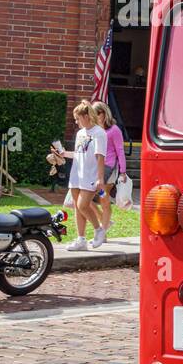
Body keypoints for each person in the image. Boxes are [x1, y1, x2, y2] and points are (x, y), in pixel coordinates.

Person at [55, 100, 107, 251]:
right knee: (78, 209)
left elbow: (100, 156)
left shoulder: (99, 133)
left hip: (91, 175)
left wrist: (100, 178)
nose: (76, 122)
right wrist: (64, 154)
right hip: (77, 174)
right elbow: (79, 154)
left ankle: (99, 230)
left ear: (86, 116)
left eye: (78, 118)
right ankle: (81, 240)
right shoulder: (80, 134)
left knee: (82, 205)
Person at [90, 100, 126, 240]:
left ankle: (102, 233)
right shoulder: (94, 130)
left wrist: (123, 171)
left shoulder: (114, 130)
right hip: (95, 167)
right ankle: (104, 223)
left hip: (109, 169)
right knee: (85, 199)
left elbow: (120, 151)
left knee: (104, 200)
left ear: (103, 114)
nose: (93, 118)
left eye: (95, 114)